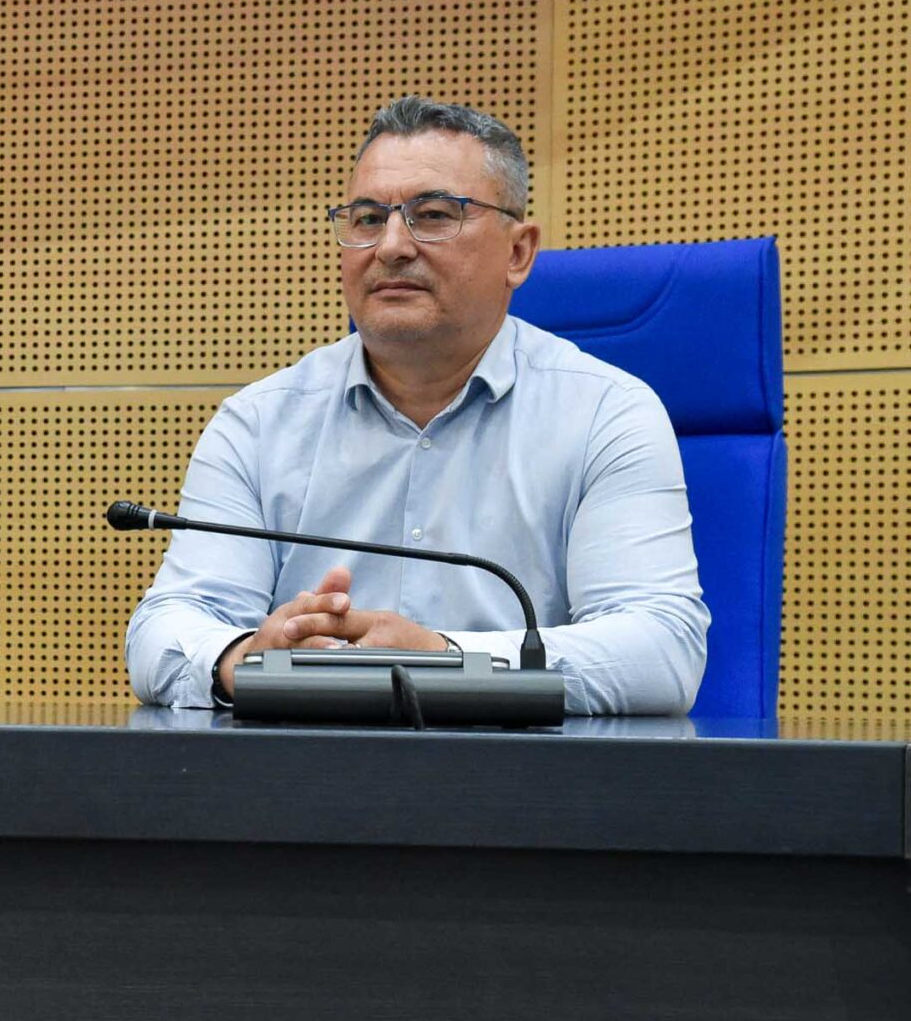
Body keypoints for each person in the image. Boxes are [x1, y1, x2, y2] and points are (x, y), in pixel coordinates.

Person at [125, 96, 707, 715]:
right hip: (303, 766)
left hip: (517, 768)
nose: (391, 246)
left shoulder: (605, 414)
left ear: (518, 253)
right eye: (368, 219)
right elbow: (167, 627)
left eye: (433, 215)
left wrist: (445, 659)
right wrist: (243, 658)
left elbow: (661, 651)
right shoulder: (258, 422)